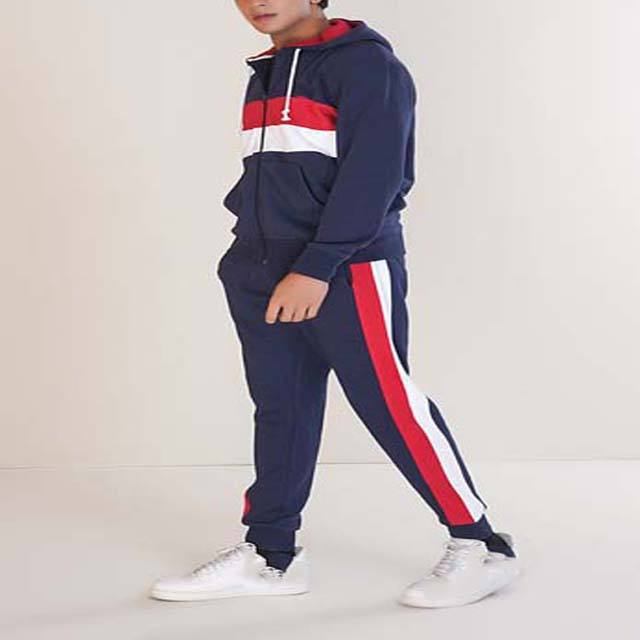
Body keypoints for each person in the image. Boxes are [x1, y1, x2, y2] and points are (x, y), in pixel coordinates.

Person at [150, 0, 522, 608]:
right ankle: (271, 555)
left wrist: (316, 266)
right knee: (282, 408)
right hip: (260, 268)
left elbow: (376, 178)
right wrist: (246, 251)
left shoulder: (368, 67)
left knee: (389, 403)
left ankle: (481, 544)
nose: (256, 1)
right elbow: (274, 174)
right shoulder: (267, 70)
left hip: (346, 268)